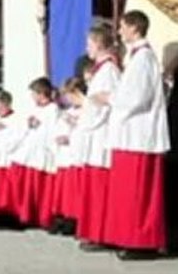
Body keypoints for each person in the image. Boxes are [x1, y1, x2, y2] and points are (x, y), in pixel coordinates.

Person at [98, 10, 169, 260]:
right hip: (129, 134)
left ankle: (141, 240)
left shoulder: (144, 58)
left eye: (123, 27)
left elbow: (137, 97)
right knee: (127, 192)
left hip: (139, 134)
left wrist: (110, 98)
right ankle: (128, 236)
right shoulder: (136, 58)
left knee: (138, 191)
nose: (119, 31)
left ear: (134, 28)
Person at [75, 23, 121, 249]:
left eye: (89, 43)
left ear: (100, 44)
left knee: (100, 185)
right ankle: (92, 230)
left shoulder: (110, 70)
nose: (87, 48)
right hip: (94, 132)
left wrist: (86, 106)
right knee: (93, 184)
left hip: (101, 133)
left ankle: (101, 234)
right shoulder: (100, 70)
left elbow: (106, 102)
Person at [7, 77, 60, 229]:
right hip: (28, 149)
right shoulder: (35, 109)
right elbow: (25, 125)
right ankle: (21, 215)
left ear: (41, 93)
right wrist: (28, 124)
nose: (32, 98)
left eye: (34, 94)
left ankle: (37, 217)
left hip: (41, 150)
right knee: (21, 182)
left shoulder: (53, 109)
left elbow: (52, 130)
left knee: (37, 186)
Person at [49, 77, 85, 235]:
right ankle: (62, 217)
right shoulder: (67, 112)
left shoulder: (87, 110)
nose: (68, 99)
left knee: (75, 192)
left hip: (76, 156)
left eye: (69, 95)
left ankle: (74, 220)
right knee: (63, 192)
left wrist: (72, 134)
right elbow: (57, 129)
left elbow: (87, 130)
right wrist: (59, 136)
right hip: (64, 157)